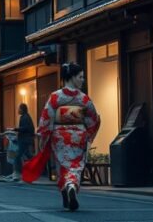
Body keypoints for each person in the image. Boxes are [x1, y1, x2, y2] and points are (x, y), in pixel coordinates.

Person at [32, 62, 101, 212]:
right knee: (75, 166)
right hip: (78, 135)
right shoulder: (83, 99)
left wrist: (44, 137)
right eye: (80, 77)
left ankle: (66, 190)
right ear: (71, 77)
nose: (83, 80)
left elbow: (46, 118)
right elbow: (93, 118)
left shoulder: (55, 97)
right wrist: (88, 134)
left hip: (60, 136)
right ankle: (71, 186)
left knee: (62, 166)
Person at [3, 103, 34, 182]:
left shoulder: (25, 117)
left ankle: (17, 174)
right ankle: (31, 170)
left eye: (19, 108)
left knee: (17, 156)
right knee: (27, 155)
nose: (18, 110)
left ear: (22, 109)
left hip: (24, 140)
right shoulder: (26, 117)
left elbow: (25, 128)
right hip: (25, 139)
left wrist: (15, 129)